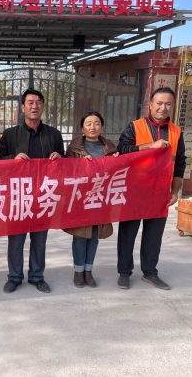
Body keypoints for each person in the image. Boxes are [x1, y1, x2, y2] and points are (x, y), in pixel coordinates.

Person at [117, 87, 186, 290]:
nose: (163, 107)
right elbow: (122, 150)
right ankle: (124, 273)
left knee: (154, 237)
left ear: (172, 106)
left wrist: (175, 190)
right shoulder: (135, 127)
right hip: (134, 191)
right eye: (159, 103)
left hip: (160, 192)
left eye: (168, 104)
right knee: (127, 234)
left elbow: (180, 162)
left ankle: (150, 272)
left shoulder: (176, 132)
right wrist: (149, 146)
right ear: (150, 104)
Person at [0, 88, 65, 294]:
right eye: (30, 102)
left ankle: (37, 276)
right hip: (18, 195)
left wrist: (59, 158)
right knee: (16, 240)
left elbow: (64, 163)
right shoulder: (10, 134)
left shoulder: (53, 134)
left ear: (43, 106)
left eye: (38, 102)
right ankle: (14, 277)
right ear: (23, 107)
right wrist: (13, 158)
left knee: (40, 240)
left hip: (43, 195)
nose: (34, 106)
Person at [64, 111, 119, 288]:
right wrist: (79, 164)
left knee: (94, 235)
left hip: (101, 198)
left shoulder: (110, 147)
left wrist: (116, 160)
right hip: (81, 199)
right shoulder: (74, 147)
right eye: (88, 123)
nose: (93, 127)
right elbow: (66, 170)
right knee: (80, 235)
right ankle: (78, 271)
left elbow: (117, 173)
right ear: (82, 127)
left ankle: (88, 271)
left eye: (96, 123)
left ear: (101, 126)